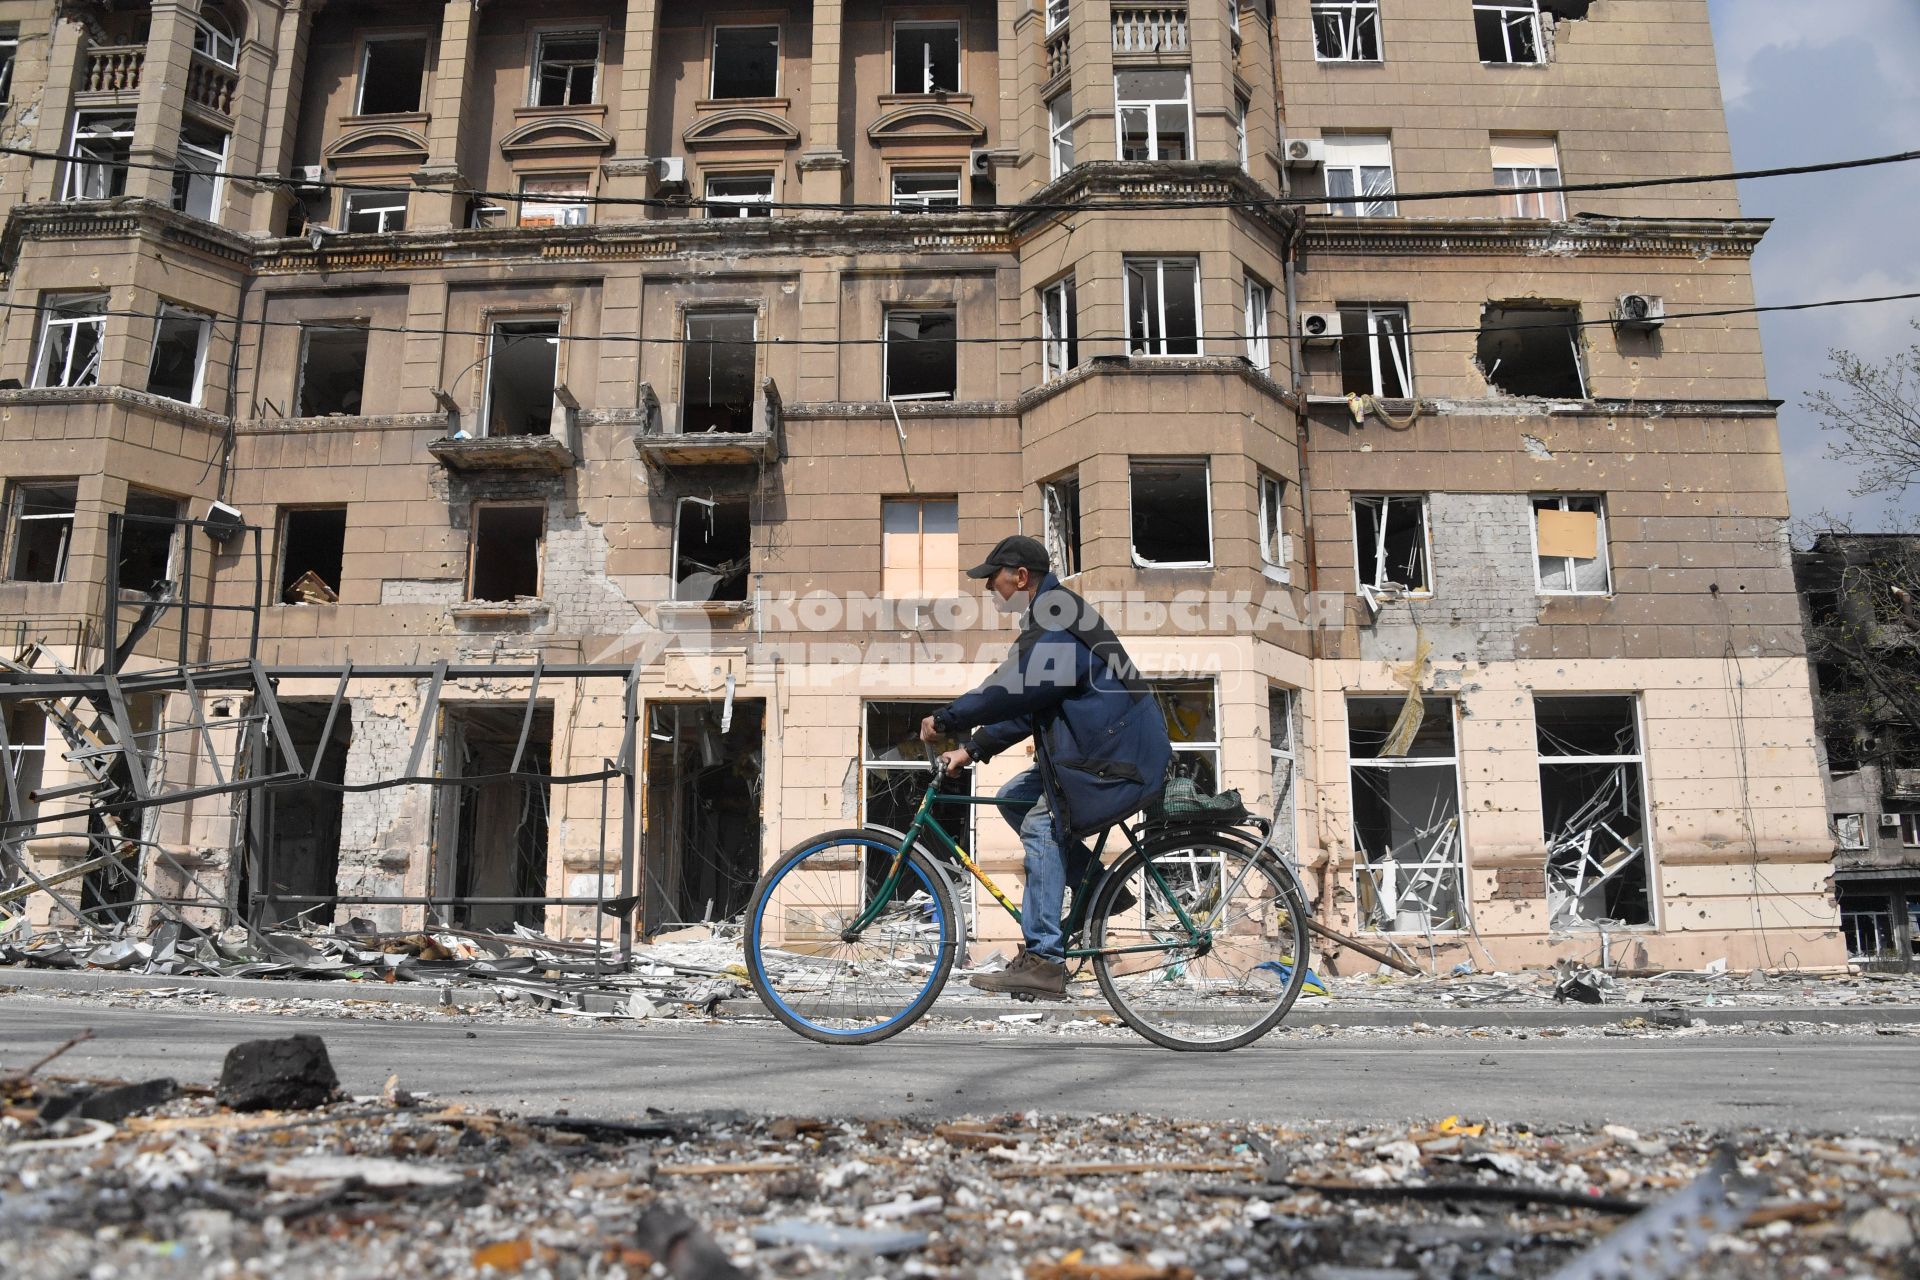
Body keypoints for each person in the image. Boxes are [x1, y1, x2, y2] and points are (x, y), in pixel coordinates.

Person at [919, 535, 1171, 998]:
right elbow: (1033, 700)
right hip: (1095, 750)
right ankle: (1099, 893)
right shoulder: (1054, 615)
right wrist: (972, 748)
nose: (990, 589)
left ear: (1020, 576)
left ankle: (1044, 960)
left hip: (1114, 755)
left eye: (993, 578)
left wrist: (948, 717)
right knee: (1014, 797)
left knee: (1040, 825)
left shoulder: (1057, 616)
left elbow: (1013, 690)